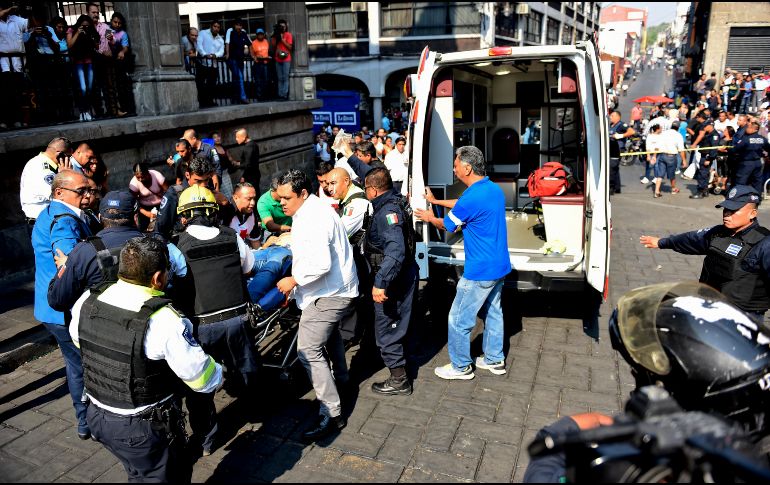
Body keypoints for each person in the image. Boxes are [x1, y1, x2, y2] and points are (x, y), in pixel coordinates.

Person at [70, 236, 222, 482]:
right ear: (157, 278)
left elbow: (81, 344)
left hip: (97, 416)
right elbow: (201, 379)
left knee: (138, 471)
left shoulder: (86, 302)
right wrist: (220, 371)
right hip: (141, 427)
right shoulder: (163, 319)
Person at [274, 169, 358, 441]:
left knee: (308, 349)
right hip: (328, 290)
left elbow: (321, 264)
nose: (282, 203)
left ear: (302, 193)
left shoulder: (315, 217)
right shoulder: (308, 212)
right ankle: (342, 384)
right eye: (279, 199)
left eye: (286, 198)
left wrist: (293, 280)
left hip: (331, 292)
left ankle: (332, 413)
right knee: (329, 335)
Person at [172, 185, 257, 455]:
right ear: (213, 212)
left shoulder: (177, 245)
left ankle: (207, 439)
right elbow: (249, 266)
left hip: (201, 326)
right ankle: (253, 411)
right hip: (237, 320)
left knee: (199, 387)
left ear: (184, 216)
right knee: (245, 369)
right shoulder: (232, 236)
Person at [414, 146, 511, 380]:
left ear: (467, 168)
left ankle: (460, 367)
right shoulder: (491, 189)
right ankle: (494, 360)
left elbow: (449, 225)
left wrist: (429, 216)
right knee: (494, 313)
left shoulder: (472, 198)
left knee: (458, 319)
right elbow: (462, 203)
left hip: (479, 270)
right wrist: (435, 200)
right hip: (499, 266)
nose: (454, 168)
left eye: (456, 164)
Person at [640, 185, 770, 321]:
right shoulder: (718, 233)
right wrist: (662, 242)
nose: (727, 214)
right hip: (709, 308)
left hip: (743, 320)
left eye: (734, 211)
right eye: (726, 209)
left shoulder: (764, 243)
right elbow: (691, 239)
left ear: (752, 214)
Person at [31, 171, 94, 440]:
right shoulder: (63, 221)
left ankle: (85, 418)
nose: (87, 195)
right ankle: (86, 419)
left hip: (50, 308)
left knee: (74, 362)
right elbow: (69, 263)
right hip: (64, 310)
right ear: (59, 192)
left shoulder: (49, 213)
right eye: (81, 191)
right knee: (80, 364)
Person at [361, 167, 417, 395]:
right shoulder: (392, 199)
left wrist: (381, 282)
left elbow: (395, 251)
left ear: (373, 190)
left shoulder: (388, 212)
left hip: (393, 279)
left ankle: (399, 380)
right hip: (397, 274)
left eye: (365, 188)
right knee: (391, 324)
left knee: (387, 328)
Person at [327, 167, 372, 343]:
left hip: (361, 258)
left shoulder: (356, 204)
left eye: (333, 183)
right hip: (357, 255)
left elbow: (339, 234)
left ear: (346, 181)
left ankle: (350, 335)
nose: (329, 188)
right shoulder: (350, 200)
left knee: (352, 296)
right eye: (327, 184)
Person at [155, 156, 216, 241]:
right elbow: (160, 230)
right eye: (198, 181)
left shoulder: (210, 191)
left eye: (206, 180)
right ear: (187, 175)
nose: (203, 185)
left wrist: (226, 204)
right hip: (183, 245)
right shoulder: (174, 194)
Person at [19, 137, 74, 221]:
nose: (69, 161)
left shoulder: (43, 163)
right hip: (40, 220)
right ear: (59, 155)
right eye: (68, 157)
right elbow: (57, 195)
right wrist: (65, 175)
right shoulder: (43, 168)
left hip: (45, 217)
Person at [87, 2, 123, 118]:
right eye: (93, 12)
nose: (96, 14)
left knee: (110, 87)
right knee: (95, 87)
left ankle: (114, 111)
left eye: (97, 12)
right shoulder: (85, 27)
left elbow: (113, 42)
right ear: (88, 13)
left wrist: (111, 38)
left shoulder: (105, 27)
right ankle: (99, 113)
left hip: (106, 60)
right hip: (92, 61)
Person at [66, 14, 100, 120]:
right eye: (83, 25)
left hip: (89, 61)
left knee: (89, 88)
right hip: (78, 62)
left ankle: (87, 111)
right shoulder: (72, 30)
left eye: (87, 25)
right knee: (83, 88)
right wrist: (78, 32)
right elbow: (70, 44)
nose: (85, 27)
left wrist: (89, 35)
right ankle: (83, 112)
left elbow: (97, 46)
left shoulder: (91, 32)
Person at [0, 4, 28, 129]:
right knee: (4, 93)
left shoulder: (16, 19)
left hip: (17, 62)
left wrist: (28, 11)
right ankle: (5, 120)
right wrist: (7, 10)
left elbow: (29, 24)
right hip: (2, 62)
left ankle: (17, 119)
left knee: (17, 92)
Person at [728, 121, 770, 194]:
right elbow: (769, 148)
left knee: (741, 180)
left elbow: (735, 149)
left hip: (746, 163)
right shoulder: (762, 139)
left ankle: (738, 198)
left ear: (755, 129)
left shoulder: (745, 139)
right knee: (757, 181)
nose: (746, 129)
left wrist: (729, 150)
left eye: (749, 127)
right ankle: (757, 198)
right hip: (757, 163)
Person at [647, 122, 685, 197]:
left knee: (660, 175)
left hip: (662, 155)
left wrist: (654, 156)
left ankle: (657, 191)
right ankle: (673, 189)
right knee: (671, 174)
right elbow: (681, 149)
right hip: (671, 156)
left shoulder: (663, 133)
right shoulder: (678, 135)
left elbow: (657, 146)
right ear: (678, 128)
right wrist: (684, 160)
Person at [220, 182, 262, 248]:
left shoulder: (251, 214)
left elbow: (255, 241)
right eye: (249, 199)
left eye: (254, 198)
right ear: (235, 198)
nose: (253, 203)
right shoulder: (224, 213)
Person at [129, 162, 167, 232]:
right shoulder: (133, 184)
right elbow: (133, 202)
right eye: (138, 177)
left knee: (165, 227)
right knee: (146, 231)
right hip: (145, 209)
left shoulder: (157, 175)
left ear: (147, 173)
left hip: (162, 205)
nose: (140, 179)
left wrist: (165, 209)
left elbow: (168, 193)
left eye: (142, 177)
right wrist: (146, 213)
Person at [689, 117, 721, 199]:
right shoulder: (709, 134)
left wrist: (708, 159)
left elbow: (713, 149)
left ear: (710, 125)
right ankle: (705, 191)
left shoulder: (714, 135)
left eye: (705, 126)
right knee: (704, 174)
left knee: (702, 175)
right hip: (704, 155)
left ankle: (700, 192)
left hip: (707, 157)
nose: (704, 128)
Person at [195, 20, 224, 108]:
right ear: (211, 26)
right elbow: (199, 46)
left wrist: (216, 55)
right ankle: (202, 102)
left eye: (218, 27)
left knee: (211, 84)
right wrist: (204, 54)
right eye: (215, 26)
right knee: (200, 83)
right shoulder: (203, 33)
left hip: (213, 64)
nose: (216, 28)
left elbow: (221, 51)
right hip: (202, 63)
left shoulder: (220, 39)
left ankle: (210, 101)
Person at [224, 19, 250, 105]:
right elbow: (227, 42)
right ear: (234, 25)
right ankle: (243, 97)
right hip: (232, 58)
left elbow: (250, 43)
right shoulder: (230, 31)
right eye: (237, 25)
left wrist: (252, 54)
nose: (239, 27)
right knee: (240, 77)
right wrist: (227, 54)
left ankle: (236, 98)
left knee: (237, 78)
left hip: (240, 59)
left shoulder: (243, 32)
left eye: (240, 25)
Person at [609, 111, 634, 194]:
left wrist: (621, 136)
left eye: (612, 116)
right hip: (611, 149)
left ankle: (611, 187)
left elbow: (631, 131)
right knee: (615, 168)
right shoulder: (610, 125)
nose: (610, 117)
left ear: (617, 117)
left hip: (617, 149)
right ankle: (617, 187)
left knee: (612, 167)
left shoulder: (621, 125)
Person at [271, 19, 292, 100]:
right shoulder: (276, 35)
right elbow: (273, 46)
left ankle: (284, 95)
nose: (282, 28)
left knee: (285, 77)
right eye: (281, 26)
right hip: (278, 58)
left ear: (286, 26)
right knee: (280, 78)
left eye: (283, 26)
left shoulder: (288, 35)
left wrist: (282, 40)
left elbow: (290, 47)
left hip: (286, 58)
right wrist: (275, 36)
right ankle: (280, 95)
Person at [250, 28, 270, 101]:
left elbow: (267, 51)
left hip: (265, 63)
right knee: (258, 80)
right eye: (259, 34)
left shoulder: (266, 41)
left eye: (261, 34)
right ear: (257, 35)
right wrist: (255, 57)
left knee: (266, 80)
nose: (260, 35)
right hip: (258, 64)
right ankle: (259, 96)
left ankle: (265, 95)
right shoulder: (254, 43)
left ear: (263, 34)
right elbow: (252, 53)